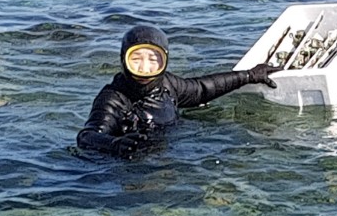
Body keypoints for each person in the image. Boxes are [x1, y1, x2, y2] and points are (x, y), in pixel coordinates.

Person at [77, 24, 281, 158]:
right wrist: (115, 145)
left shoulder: (167, 84)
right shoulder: (114, 98)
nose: (144, 69)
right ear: (123, 60)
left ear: (164, 62)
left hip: (172, 147)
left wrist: (249, 76)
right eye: (136, 60)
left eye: (153, 60)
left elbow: (202, 89)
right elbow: (87, 136)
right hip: (133, 163)